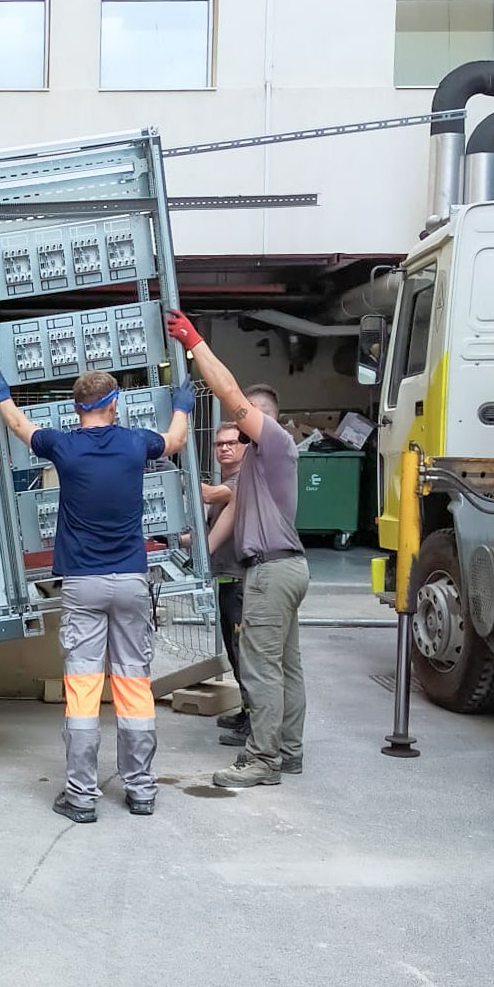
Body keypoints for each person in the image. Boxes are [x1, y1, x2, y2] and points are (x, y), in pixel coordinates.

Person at [0, 362, 195, 822]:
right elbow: (175, 441)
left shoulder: (64, 446)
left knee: (82, 689)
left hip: (82, 582)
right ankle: (141, 790)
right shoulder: (136, 442)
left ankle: (81, 797)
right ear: (112, 404)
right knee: (134, 683)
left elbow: (19, 425)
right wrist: (182, 405)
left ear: (77, 407)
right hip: (132, 579)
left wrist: (1, 394)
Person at [164, 312, 308, 789]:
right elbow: (227, 519)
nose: (237, 434)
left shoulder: (277, 446)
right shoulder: (251, 474)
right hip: (281, 568)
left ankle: (262, 760)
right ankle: (287, 752)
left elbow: (228, 393)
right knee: (285, 666)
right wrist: (193, 556)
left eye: (246, 421)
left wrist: (195, 342)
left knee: (260, 668)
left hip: (272, 571)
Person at [206, 421, 250, 750]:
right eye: (220, 444)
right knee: (234, 652)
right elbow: (208, 535)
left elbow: (208, 493)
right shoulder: (225, 485)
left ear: (245, 446)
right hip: (226, 578)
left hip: (242, 580)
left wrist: (174, 475)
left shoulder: (242, 482)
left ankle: (254, 721)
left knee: (243, 652)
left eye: (232, 442)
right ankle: (246, 710)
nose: (225, 448)